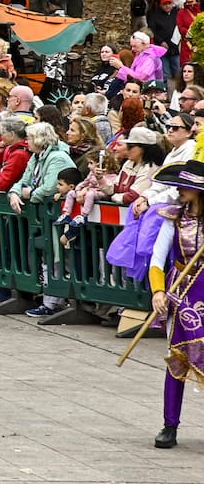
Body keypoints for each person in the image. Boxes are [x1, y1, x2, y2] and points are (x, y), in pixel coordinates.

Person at [147, 159, 204, 449]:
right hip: (181, 292)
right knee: (177, 359)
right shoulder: (174, 218)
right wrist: (158, 291)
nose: (180, 191)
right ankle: (170, 425)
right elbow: (157, 259)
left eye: (187, 187)